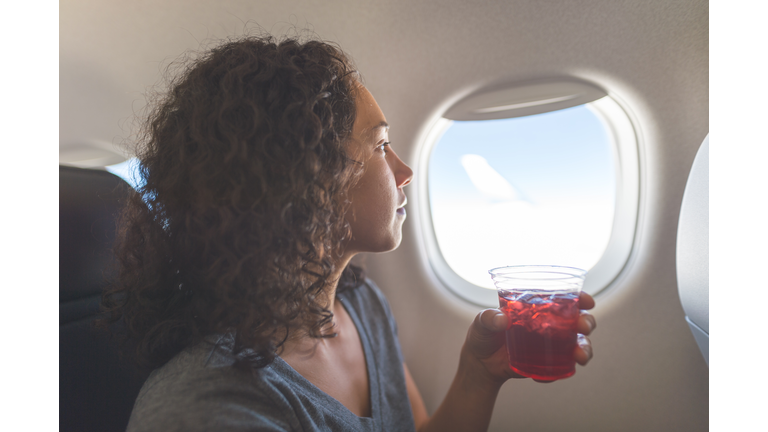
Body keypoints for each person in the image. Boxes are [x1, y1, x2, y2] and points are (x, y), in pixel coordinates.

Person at [101, 35, 596, 432]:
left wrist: (478, 375)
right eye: (381, 145)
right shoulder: (210, 407)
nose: (404, 170)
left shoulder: (361, 306)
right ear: (308, 177)